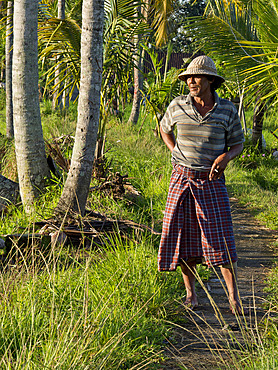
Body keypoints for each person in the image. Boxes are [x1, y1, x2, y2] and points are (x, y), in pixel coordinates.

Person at [157, 55, 246, 314]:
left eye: (196, 77)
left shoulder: (227, 110)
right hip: (181, 178)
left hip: (211, 180)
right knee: (185, 238)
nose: (191, 81)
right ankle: (191, 295)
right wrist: (174, 150)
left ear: (210, 80)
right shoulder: (177, 106)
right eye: (188, 78)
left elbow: (238, 143)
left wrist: (225, 156)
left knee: (221, 238)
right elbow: (165, 128)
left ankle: (233, 298)